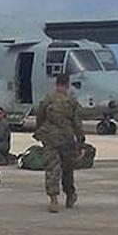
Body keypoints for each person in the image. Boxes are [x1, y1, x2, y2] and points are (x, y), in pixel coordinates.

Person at [34, 73, 86, 213]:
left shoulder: (48, 99)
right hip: (66, 138)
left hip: (50, 138)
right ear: (67, 84)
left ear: (56, 84)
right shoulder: (72, 101)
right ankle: (70, 194)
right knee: (67, 169)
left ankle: (53, 199)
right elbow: (77, 124)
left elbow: (40, 118)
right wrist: (80, 142)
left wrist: (40, 133)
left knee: (52, 168)